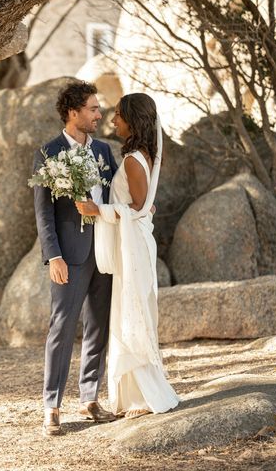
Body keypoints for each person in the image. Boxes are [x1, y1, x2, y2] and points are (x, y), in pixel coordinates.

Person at [75, 93, 179, 419]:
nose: (113, 120)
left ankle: (143, 397)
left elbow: (135, 209)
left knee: (133, 312)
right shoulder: (140, 155)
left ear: (132, 120)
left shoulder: (134, 159)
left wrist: (97, 209)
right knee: (128, 311)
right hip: (129, 244)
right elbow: (144, 205)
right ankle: (133, 394)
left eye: (119, 116)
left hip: (132, 246)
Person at [33, 81, 119, 436]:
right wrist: (53, 256)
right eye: (93, 109)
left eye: (98, 109)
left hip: (104, 251)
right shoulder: (48, 153)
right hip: (69, 256)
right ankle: (51, 406)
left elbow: (115, 196)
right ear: (73, 113)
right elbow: (43, 214)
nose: (100, 115)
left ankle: (89, 397)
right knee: (62, 329)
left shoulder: (103, 151)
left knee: (99, 326)